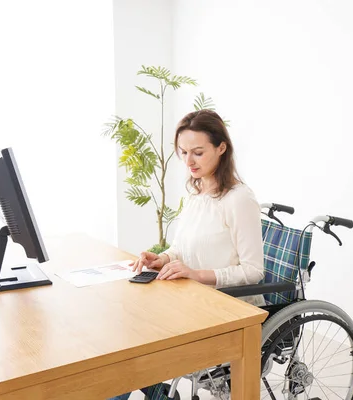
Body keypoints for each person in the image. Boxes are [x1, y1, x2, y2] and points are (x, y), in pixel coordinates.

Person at [109, 110, 265, 400]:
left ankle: (150, 390)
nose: (188, 161)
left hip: (228, 306)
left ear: (221, 148)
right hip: (193, 299)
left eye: (197, 152)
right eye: (183, 152)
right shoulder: (197, 193)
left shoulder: (239, 199)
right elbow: (182, 247)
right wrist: (164, 259)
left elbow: (254, 270)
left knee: (133, 339)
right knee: (123, 327)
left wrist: (197, 275)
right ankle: (150, 390)